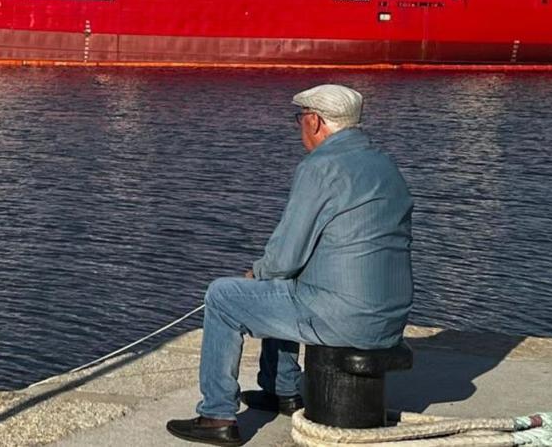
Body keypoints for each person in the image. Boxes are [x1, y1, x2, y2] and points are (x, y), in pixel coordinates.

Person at [167, 84, 413, 446]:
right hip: (390, 317)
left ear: (314, 121)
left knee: (223, 296)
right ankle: (282, 391)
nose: (300, 127)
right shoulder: (384, 164)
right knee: (285, 286)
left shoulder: (321, 166)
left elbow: (285, 255)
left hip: (344, 318)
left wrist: (256, 273)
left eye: (300, 119)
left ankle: (216, 415)